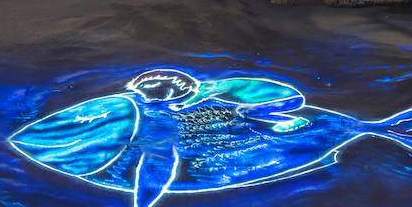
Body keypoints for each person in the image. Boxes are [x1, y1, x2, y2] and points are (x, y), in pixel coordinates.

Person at [126, 68, 311, 133]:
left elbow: (203, 95)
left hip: (289, 99)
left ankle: (292, 121)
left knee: (244, 112)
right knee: (242, 112)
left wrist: (183, 105)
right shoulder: (208, 87)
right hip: (283, 97)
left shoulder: (210, 87)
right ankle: (282, 119)